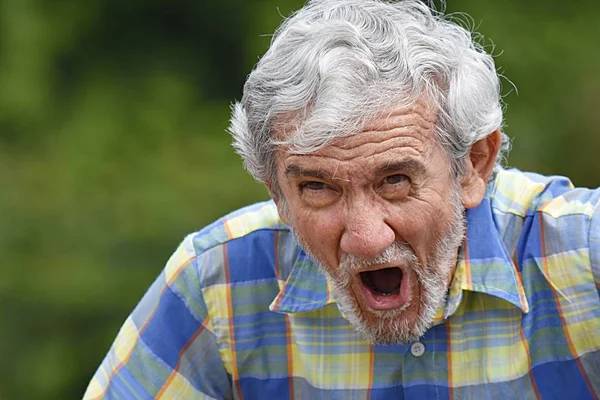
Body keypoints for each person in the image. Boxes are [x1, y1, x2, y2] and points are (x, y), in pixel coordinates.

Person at [84, 0, 600, 398]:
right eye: (317, 188)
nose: (365, 236)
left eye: (394, 180)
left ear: (474, 164)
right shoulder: (216, 281)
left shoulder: (586, 258)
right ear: (277, 194)